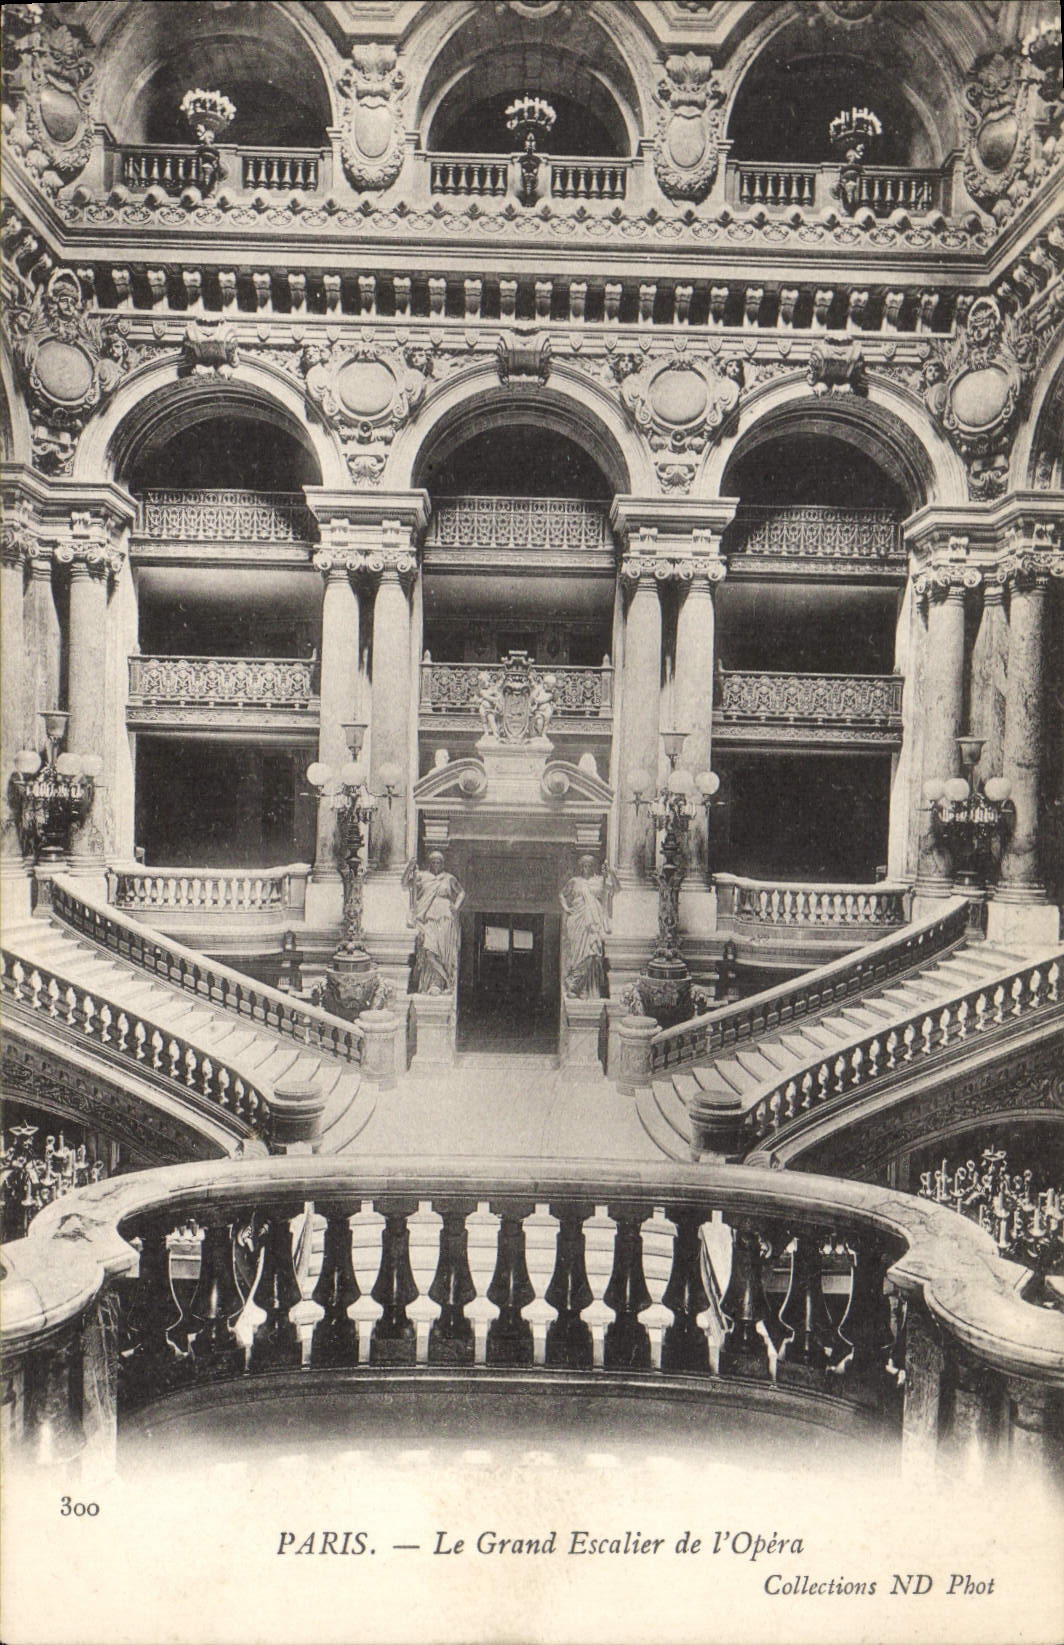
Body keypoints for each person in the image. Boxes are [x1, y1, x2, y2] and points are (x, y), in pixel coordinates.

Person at [402, 852, 465, 993]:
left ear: (443, 864)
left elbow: (461, 892)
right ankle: (446, 980)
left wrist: (456, 906)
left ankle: (439, 984)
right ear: (429, 863)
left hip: (445, 918)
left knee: (442, 952)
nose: (436, 865)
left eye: (439, 862)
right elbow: (405, 883)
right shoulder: (422, 876)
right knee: (428, 951)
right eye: (433, 862)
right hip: (428, 917)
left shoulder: (448, 878)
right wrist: (409, 867)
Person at [559, 856, 620, 999]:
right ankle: (574, 986)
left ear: (593, 866)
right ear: (580, 867)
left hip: (593, 922)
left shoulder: (600, 880)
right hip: (578, 921)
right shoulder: (575, 881)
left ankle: (578, 986)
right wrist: (567, 908)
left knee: (592, 952)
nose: (586, 868)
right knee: (577, 953)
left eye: (589, 865)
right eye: (583, 865)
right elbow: (562, 894)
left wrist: (611, 873)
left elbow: (616, 889)